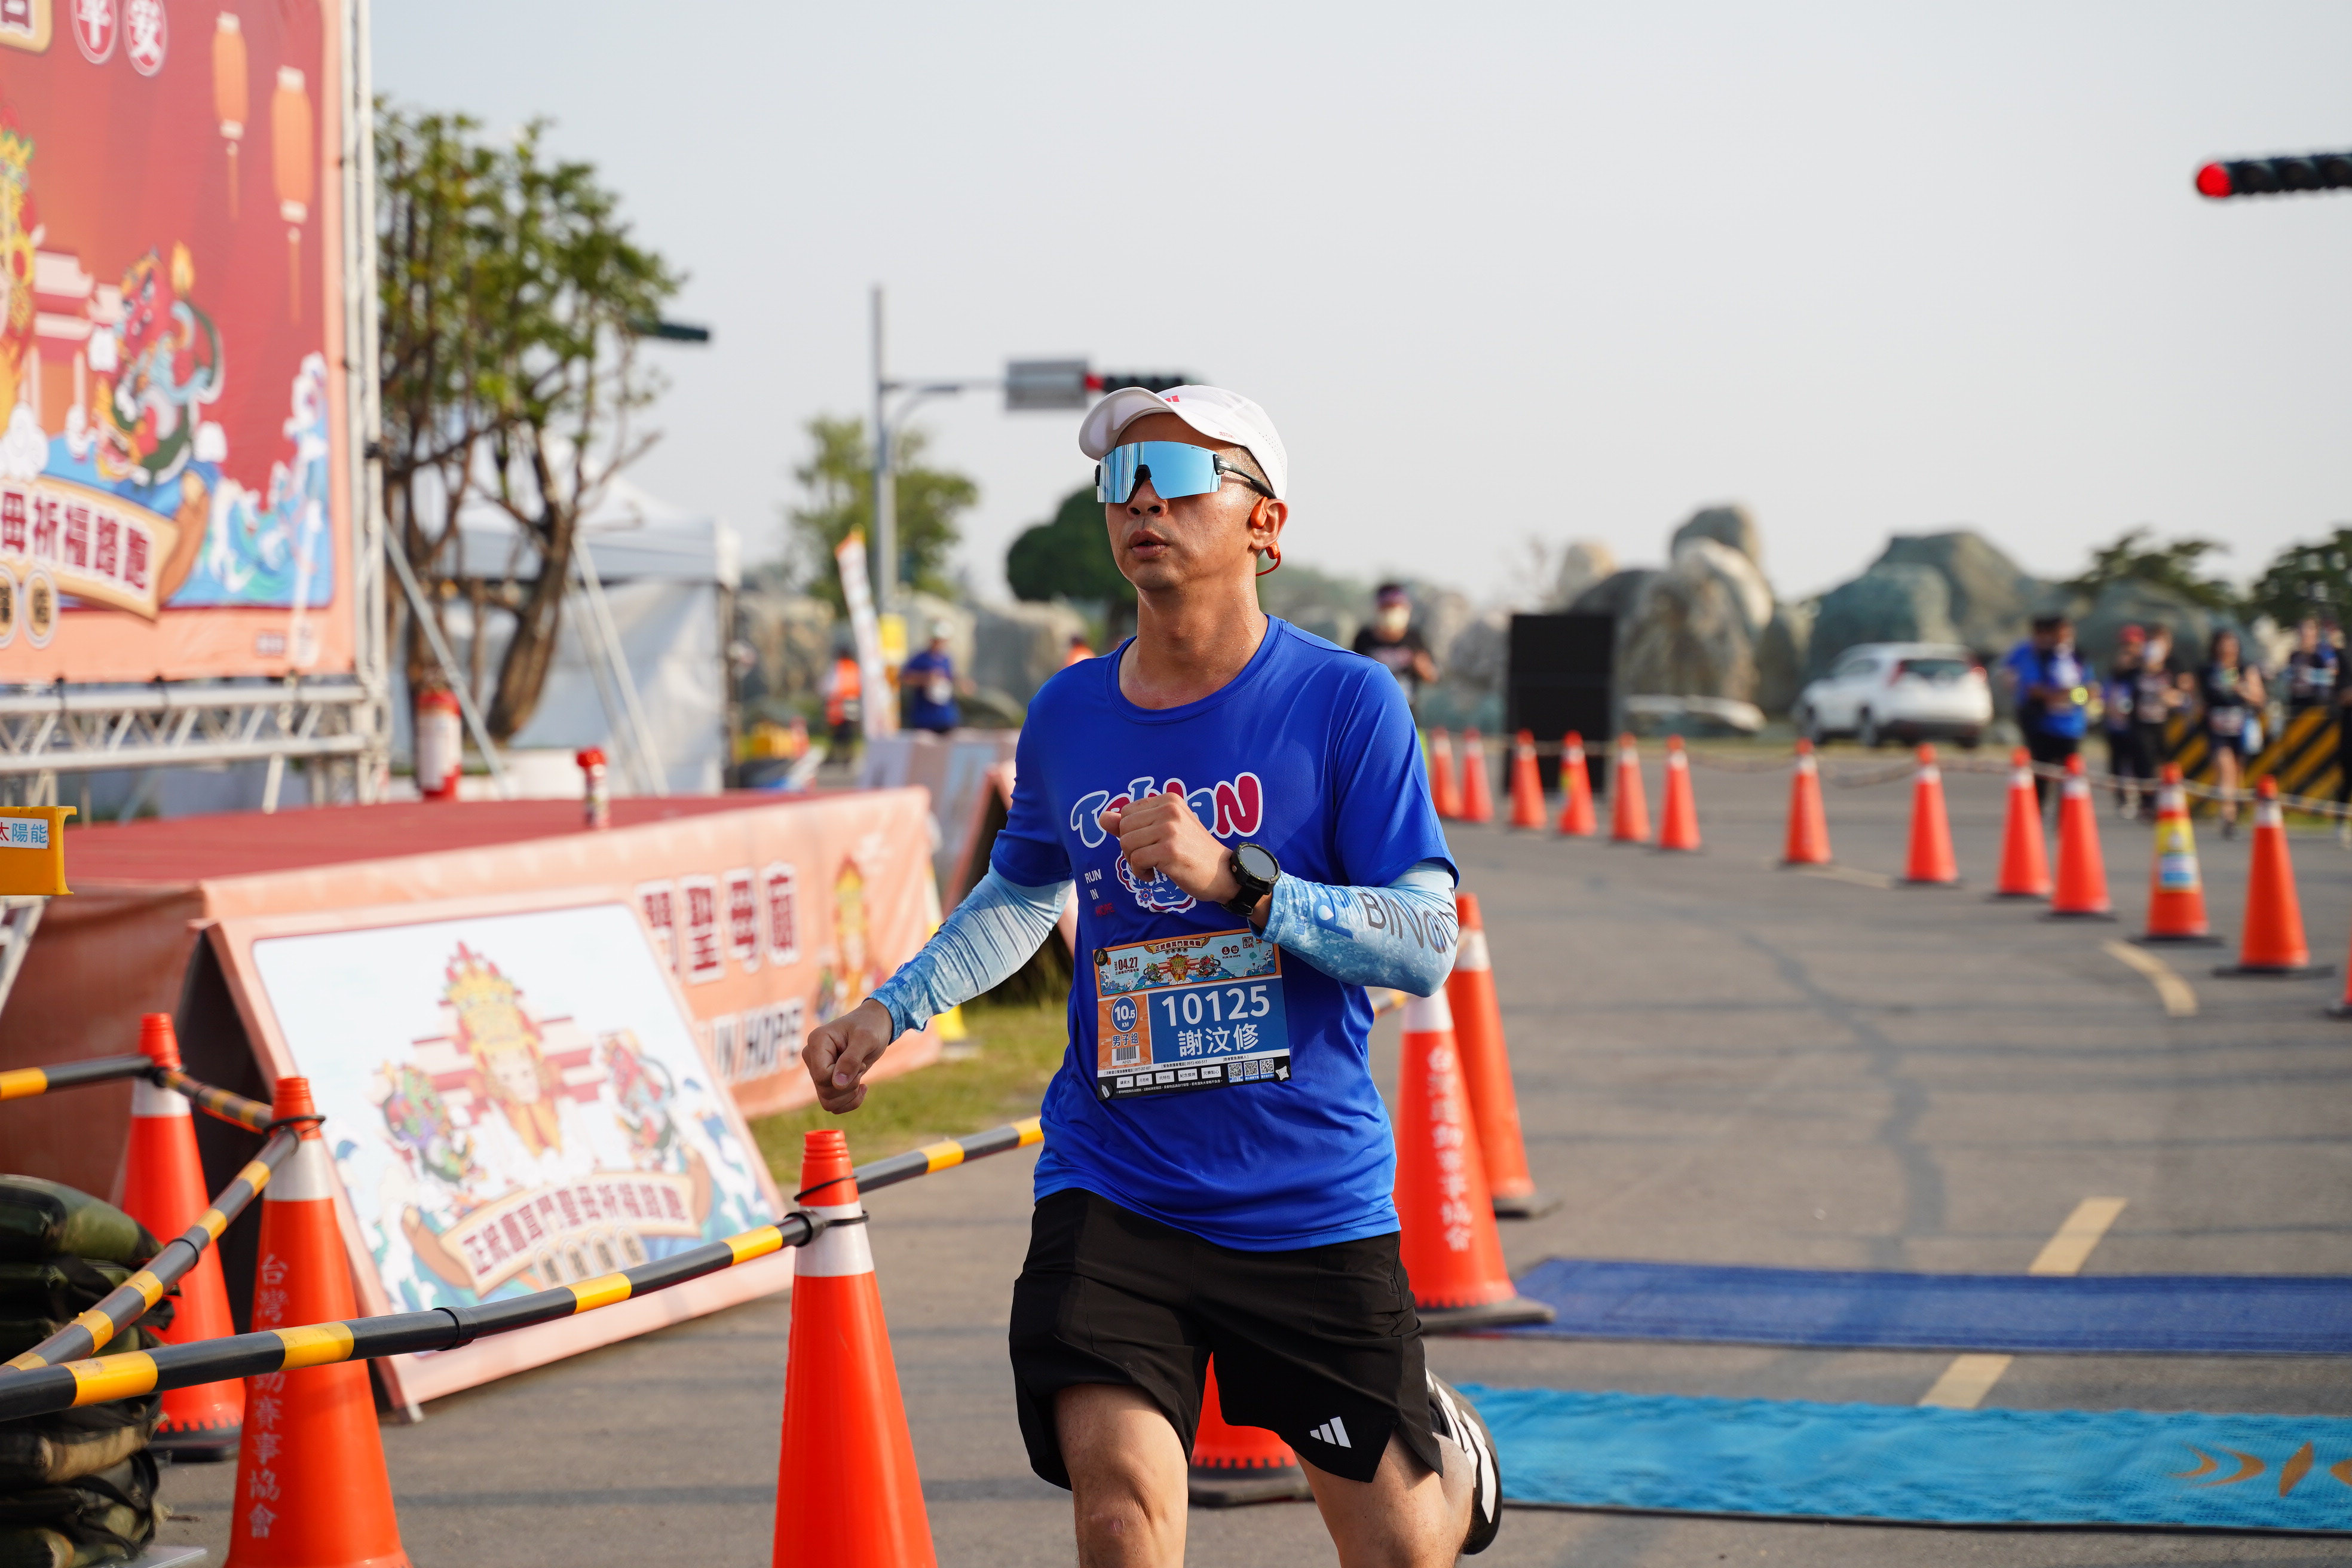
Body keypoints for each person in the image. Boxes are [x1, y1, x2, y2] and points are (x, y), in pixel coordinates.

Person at [802, 384, 1500, 1566]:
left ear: (1265, 523)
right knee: (1120, 1516)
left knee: (1399, 1546)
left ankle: (1452, 1458)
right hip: (1116, 1178)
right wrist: (888, 1008)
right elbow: (1024, 892)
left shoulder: (1345, 701)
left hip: (1302, 1193)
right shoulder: (1070, 711)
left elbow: (1424, 939)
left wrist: (1240, 880)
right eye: (1118, 481)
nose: (1140, 503)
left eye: (1175, 479)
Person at [2001, 614, 2088, 814]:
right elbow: (2032, 688)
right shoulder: (2037, 655)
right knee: (2041, 775)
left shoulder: (2078, 657)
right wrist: (2057, 694)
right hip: (2043, 725)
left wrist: (2071, 695)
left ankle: (2067, 818)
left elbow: (2088, 690)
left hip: (2072, 726)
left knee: (2070, 778)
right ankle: (2036, 815)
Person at [2193, 628, 2264, 837]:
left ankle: (2233, 808)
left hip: (2240, 729)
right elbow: (2198, 698)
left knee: (2237, 771)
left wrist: (2242, 690)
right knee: (2226, 768)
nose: (2228, 650)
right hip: (2217, 729)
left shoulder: (2245, 669)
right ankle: (2227, 816)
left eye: (2232, 645)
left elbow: (2259, 698)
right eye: (2223, 645)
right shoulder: (2208, 671)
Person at [1352, 583, 1438, 714]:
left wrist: (1423, 667)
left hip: (1406, 712)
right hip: (1372, 711)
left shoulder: (1414, 639)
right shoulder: (1364, 638)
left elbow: (1433, 676)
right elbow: (1354, 674)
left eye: (1396, 608)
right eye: (1387, 608)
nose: (1392, 614)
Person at [2101, 625, 2157, 818]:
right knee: (2118, 764)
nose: (2130, 648)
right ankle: (2122, 798)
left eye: (2134, 645)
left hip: (2138, 725)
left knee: (2142, 764)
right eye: (2127, 644)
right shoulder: (2118, 667)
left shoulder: (2145, 666)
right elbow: (2109, 688)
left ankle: (2147, 802)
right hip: (2116, 724)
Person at [899, 621, 963, 734]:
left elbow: (949, 679)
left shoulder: (947, 659)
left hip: (946, 718)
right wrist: (925, 679)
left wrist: (961, 683)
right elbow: (904, 679)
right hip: (925, 719)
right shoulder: (920, 659)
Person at [2281, 615, 2339, 715]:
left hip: (2319, 705)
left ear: (2316, 632)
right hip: (2296, 703)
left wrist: (2310, 675)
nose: (2305, 633)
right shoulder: (2294, 656)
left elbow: (2334, 676)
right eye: (2302, 629)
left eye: (2309, 629)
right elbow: (2289, 678)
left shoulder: (2324, 653)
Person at [821, 641, 862, 757]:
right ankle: (848, 753)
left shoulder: (838, 666)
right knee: (848, 730)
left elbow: (829, 686)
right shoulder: (854, 667)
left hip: (838, 703)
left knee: (837, 731)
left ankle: (837, 754)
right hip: (852, 702)